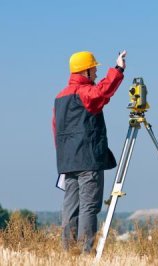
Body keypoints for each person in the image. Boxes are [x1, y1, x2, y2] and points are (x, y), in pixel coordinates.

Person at [52, 50, 127, 253]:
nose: (95, 73)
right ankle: (86, 253)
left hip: (67, 162)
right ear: (85, 71)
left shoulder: (60, 97)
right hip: (87, 160)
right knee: (88, 207)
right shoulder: (83, 93)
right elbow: (102, 92)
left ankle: (69, 253)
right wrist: (118, 69)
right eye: (94, 69)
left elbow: (55, 129)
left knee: (70, 208)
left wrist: (64, 156)